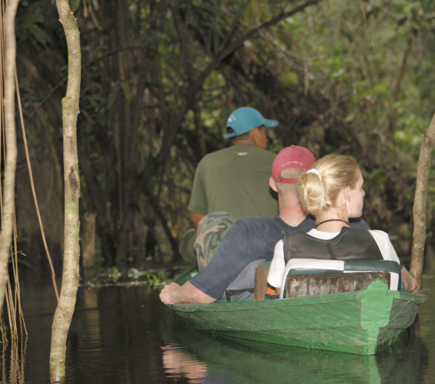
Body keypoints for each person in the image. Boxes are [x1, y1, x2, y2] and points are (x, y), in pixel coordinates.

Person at [161, 145, 325, 305]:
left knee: (212, 223)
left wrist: (173, 294)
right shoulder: (331, 227)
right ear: (317, 184)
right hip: (319, 303)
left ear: (273, 184)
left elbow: (200, 295)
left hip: (260, 307)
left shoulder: (248, 231)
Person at [267, 154, 417, 294]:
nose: (363, 193)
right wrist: (412, 282)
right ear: (347, 194)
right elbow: (403, 283)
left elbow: (283, 300)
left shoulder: (286, 248)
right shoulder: (379, 241)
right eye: (360, 187)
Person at [180, 107, 280, 264]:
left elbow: (196, 216)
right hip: (264, 249)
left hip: (222, 253)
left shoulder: (207, 162)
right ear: (255, 132)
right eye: (265, 132)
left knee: (187, 240)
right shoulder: (276, 162)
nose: (266, 139)